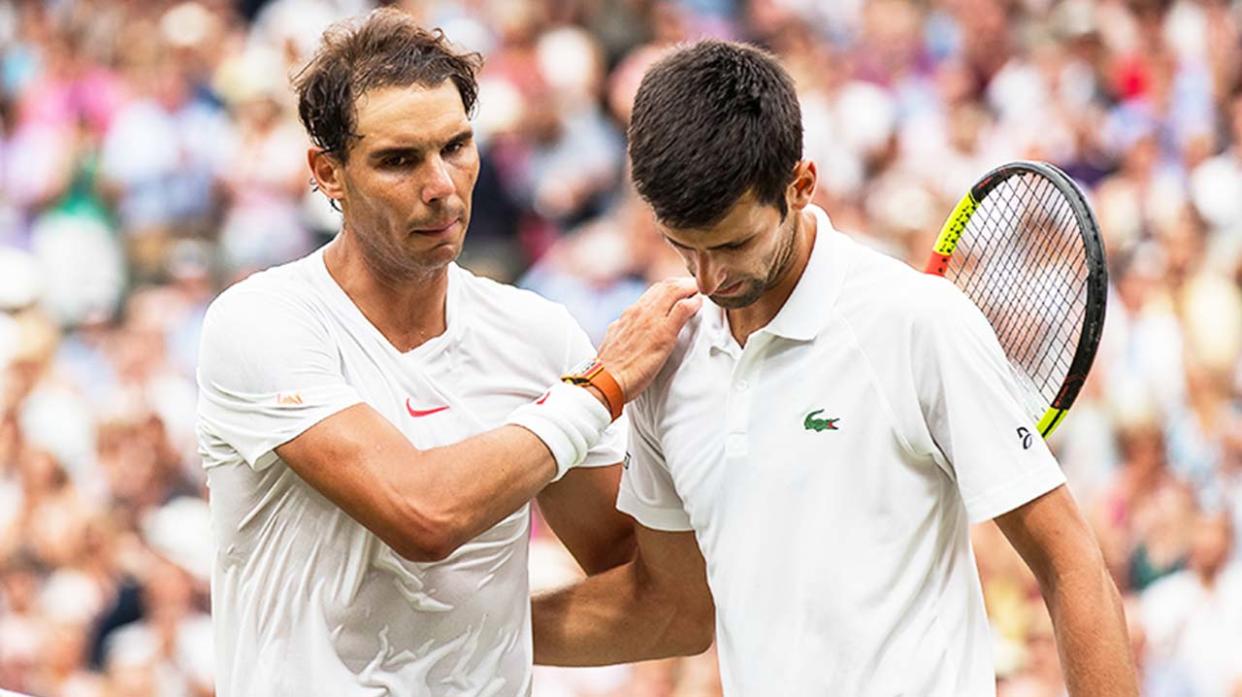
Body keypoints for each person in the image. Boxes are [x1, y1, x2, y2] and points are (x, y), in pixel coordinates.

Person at [531, 40, 1140, 696]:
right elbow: (673, 609)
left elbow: (1072, 565)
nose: (708, 279)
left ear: (801, 184)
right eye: (684, 247)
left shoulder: (916, 322)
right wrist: (472, 631)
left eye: (734, 244)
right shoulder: (666, 360)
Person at [194, 10, 699, 696]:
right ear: (328, 173)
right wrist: (599, 390)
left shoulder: (537, 337)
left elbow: (659, 603)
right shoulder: (261, 322)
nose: (441, 185)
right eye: (399, 160)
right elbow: (423, 512)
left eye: (457, 147)